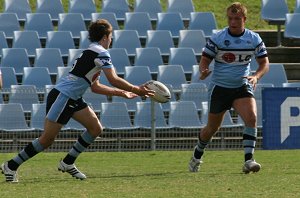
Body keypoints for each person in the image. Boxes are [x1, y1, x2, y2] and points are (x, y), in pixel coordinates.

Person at [1, 19, 155, 182]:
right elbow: (114, 79)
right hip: (63, 96)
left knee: (95, 128)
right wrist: (136, 89)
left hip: (72, 97)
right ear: (105, 37)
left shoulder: (92, 52)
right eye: (111, 36)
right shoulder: (100, 52)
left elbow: (95, 87)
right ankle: (11, 165)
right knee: (46, 140)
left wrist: (123, 94)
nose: (111, 40)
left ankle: (67, 162)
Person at [188, 2, 269, 174]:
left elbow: (264, 63)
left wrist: (256, 76)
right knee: (211, 129)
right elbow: (205, 60)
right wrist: (203, 71)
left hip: (241, 86)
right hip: (220, 88)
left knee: (252, 118)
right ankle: (197, 154)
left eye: (237, 19)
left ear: (244, 19)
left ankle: (249, 161)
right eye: (230, 19)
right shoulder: (218, 38)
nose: (233, 22)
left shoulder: (254, 39)